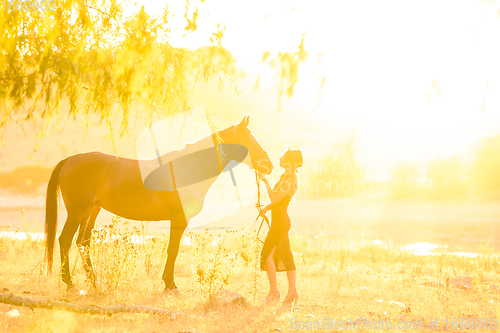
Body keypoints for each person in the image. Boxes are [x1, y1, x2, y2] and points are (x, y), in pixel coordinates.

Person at [258, 147, 303, 304]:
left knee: (266, 255)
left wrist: (265, 182)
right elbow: (279, 202)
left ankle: (274, 291)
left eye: (283, 156)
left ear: (289, 161)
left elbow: (276, 199)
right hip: (280, 221)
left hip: (281, 222)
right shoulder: (286, 177)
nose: (280, 158)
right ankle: (292, 291)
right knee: (285, 255)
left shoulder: (290, 179)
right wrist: (266, 208)